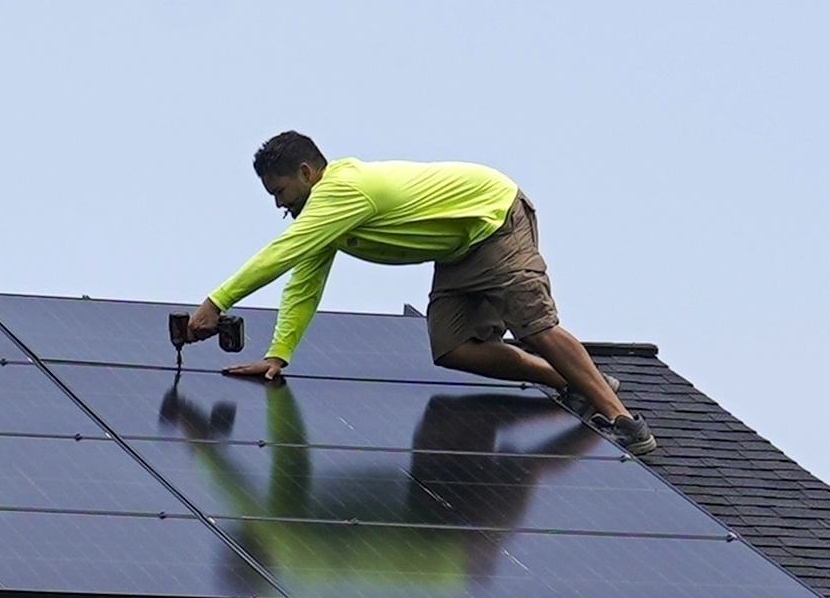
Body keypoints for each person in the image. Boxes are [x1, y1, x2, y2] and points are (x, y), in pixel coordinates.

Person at [179, 135, 637, 432]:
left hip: (493, 219)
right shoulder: (324, 214)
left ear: (305, 173)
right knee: (453, 349)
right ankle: (572, 380)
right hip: (457, 251)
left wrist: (216, 302)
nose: (280, 205)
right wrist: (278, 355)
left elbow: (282, 252)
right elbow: (304, 280)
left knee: (534, 326)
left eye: (280, 193)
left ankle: (621, 417)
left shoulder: (341, 190)